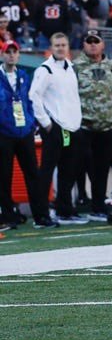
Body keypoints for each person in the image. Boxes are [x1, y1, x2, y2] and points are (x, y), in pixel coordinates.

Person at [29, 32, 86, 224]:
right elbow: (34, 96)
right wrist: (46, 122)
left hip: (73, 127)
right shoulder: (45, 70)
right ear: (51, 47)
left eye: (63, 45)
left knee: (68, 172)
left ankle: (65, 210)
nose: (61, 48)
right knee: (46, 172)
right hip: (55, 128)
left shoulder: (71, 67)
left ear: (68, 46)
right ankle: (41, 215)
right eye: (57, 45)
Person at [0, 41, 53, 228]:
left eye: (15, 52)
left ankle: (41, 216)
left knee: (33, 174)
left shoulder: (23, 76)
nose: (12, 55)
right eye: (8, 52)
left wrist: (31, 123)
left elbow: (30, 101)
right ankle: (7, 216)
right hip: (4, 133)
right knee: (4, 176)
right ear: (3, 54)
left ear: (19, 55)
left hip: (24, 132)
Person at [72, 28, 112, 221]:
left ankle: (99, 205)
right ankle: (78, 203)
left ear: (102, 44)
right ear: (83, 45)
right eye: (89, 41)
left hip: (108, 126)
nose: (92, 44)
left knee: (103, 168)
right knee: (84, 167)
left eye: (96, 41)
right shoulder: (74, 66)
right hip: (85, 127)